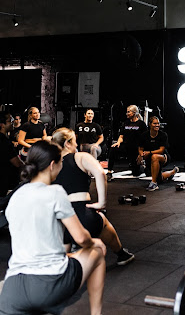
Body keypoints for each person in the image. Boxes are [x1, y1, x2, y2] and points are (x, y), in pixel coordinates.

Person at [0, 140, 106, 315]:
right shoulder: (55, 192)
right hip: (48, 284)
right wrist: (93, 242)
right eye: (61, 162)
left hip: (13, 289)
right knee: (98, 252)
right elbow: (81, 238)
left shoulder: (16, 196)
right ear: (52, 165)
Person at [52, 127, 135, 266]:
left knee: (63, 259)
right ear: (67, 143)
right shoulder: (80, 157)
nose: (77, 145)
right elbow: (100, 173)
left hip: (60, 220)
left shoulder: (51, 165)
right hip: (82, 215)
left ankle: (67, 260)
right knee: (102, 221)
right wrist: (101, 203)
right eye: (75, 141)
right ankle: (121, 254)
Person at [107, 104, 148, 180]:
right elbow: (121, 136)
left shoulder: (141, 124)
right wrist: (118, 142)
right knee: (113, 149)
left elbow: (145, 139)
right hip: (126, 147)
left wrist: (141, 154)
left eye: (129, 112)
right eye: (127, 112)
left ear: (134, 113)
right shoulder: (125, 123)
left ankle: (142, 167)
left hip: (136, 149)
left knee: (136, 173)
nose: (127, 114)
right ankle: (109, 172)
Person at [139, 116, 178, 191]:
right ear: (150, 124)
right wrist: (141, 155)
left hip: (163, 157)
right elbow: (140, 149)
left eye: (158, 123)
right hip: (149, 157)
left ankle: (154, 183)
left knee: (155, 156)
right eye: (154, 123)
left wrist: (149, 152)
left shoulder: (163, 135)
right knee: (159, 178)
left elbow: (161, 150)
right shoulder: (144, 135)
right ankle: (173, 172)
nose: (157, 125)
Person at [0, 112, 23, 197]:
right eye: (10, 120)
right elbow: (17, 163)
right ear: (2, 125)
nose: (13, 122)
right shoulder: (4, 141)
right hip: (4, 180)